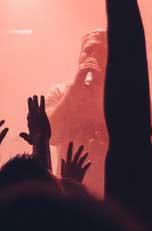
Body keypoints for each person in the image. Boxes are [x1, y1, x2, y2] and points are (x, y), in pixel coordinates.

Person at [44, 30, 108, 191]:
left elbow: (150, 141)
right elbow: (49, 135)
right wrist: (76, 87)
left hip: (111, 193)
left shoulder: (126, 97)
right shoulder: (59, 92)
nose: (92, 56)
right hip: (69, 192)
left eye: (101, 51)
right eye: (88, 50)